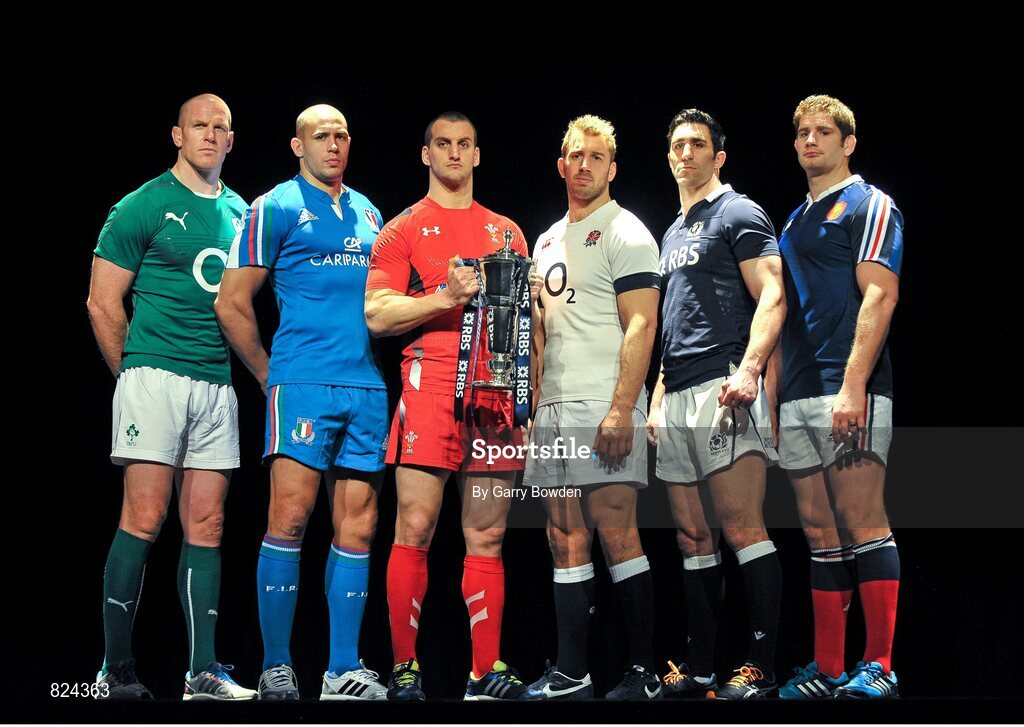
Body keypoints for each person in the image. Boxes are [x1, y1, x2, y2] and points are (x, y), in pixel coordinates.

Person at [364, 111, 544, 702]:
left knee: (487, 536)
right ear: (426, 154)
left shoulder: (506, 232)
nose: (454, 153)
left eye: (465, 144)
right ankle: (405, 669)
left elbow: (526, 332)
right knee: (414, 528)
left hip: (497, 398)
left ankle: (484, 672)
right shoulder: (403, 229)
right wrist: (444, 295)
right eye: (443, 144)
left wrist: (529, 401)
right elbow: (376, 314)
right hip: (431, 388)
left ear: (477, 154)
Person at [215, 104, 388, 701]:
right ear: (298, 145)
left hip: (366, 386)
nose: (333, 145)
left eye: (341, 135)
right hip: (303, 385)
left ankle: (342, 670)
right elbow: (231, 302)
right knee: (289, 519)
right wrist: (270, 375)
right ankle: (276, 667)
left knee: (359, 528)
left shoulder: (369, 212)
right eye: (321, 136)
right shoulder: (274, 206)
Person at [87, 94, 256, 701]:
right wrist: (131, 376)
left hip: (216, 382)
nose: (209, 135)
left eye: (220, 127)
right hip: (154, 376)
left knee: (208, 522)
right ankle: (115, 670)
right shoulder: (144, 203)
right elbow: (102, 303)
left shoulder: (242, 212)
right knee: (145, 515)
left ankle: (202, 672)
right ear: (177, 135)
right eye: (198, 126)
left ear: (231, 140)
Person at [647, 109, 786, 700]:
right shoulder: (671, 233)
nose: (686, 153)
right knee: (692, 537)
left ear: (718, 156)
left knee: (741, 527)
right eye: (677, 144)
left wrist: (751, 370)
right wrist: (657, 397)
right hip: (677, 392)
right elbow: (671, 325)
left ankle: (761, 668)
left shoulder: (738, 211)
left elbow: (773, 294)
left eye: (697, 144)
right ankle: (701, 669)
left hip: (723, 384)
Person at [525, 115, 661, 701]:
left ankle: (644, 673)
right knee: (563, 536)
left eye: (596, 157)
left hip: (603, 403)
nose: (585, 165)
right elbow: (540, 334)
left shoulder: (626, 230)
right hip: (554, 407)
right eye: (576, 156)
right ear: (561, 165)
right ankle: (571, 673)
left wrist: (621, 409)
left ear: (613, 168)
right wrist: (533, 407)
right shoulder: (546, 240)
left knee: (617, 532)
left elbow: (642, 323)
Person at [774, 94, 903, 700]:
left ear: (847, 143)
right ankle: (829, 670)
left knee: (863, 523)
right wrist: (774, 399)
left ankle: (880, 666)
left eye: (823, 132)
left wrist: (853, 387)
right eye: (802, 132)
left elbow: (880, 296)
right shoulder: (792, 222)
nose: (810, 140)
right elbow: (782, 314)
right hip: (797, 393)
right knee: (820, 533)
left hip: (848, 389)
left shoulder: (869, 203)